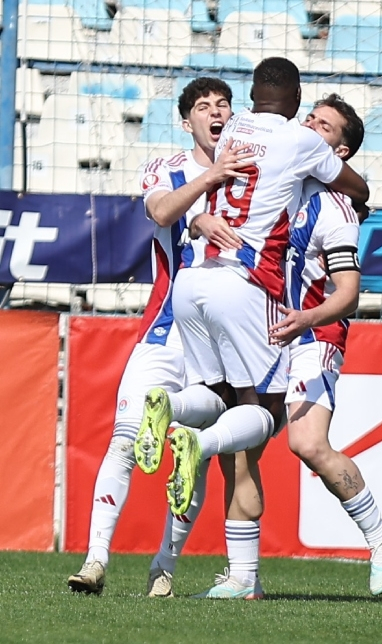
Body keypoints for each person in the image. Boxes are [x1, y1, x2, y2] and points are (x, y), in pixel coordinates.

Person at [136, 57, 370, 599]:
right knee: (262, 418)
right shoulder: (299, 142)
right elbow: (353, 184)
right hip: (244, 286)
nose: (312, 124)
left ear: (251, 94)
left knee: (217, 401)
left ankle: (169, 411)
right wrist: (356, 188)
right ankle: (194, 441)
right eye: (307, 113)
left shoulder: (233, 126)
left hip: (193, 280)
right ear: (294, 100)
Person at [67, 78, 255, 596]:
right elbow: (161, 212)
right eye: (203, 106)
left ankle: (163, 568)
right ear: (185, 120)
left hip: (221, 339)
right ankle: (95, 562)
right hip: (167, 329)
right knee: (126, 438)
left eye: (223, 105)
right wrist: (208, 190)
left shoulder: (255, 175)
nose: (215, 112)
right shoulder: (166, 168)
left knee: (195, 451)